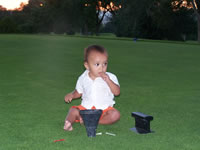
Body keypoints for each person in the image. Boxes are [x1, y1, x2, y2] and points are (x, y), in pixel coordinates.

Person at [64, 45, 120, 131]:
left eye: (105, 64)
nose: (102, 67)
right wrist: (71, 95)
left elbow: (117, 92)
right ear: (87, 65)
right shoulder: (83, 78)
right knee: (73, 111)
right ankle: (68, 122)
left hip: (104, 110)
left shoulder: (111, 77)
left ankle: (95, 121)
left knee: (115, 115)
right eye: (97, 64)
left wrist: (108, 81)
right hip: (85, 109)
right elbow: (78, 92)